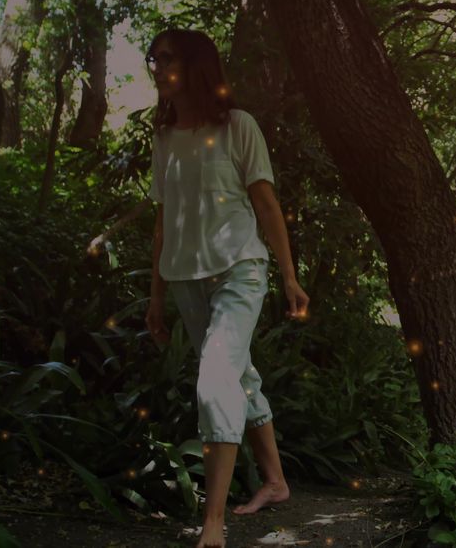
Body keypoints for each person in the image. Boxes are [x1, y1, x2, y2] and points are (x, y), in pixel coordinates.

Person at [142, 29, 308, 548]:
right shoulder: (164, 138)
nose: (157, 66)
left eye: (166, 58)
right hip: (185, 279)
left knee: (215, 378)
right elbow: (162, 224)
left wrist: (288, 275)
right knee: (239, 377)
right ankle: (275, 481)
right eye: (153, 59)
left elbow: (266, 205)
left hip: (240, 269)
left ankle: (213, 523)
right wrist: (156, 297)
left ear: (196, 64)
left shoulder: (239, 126)